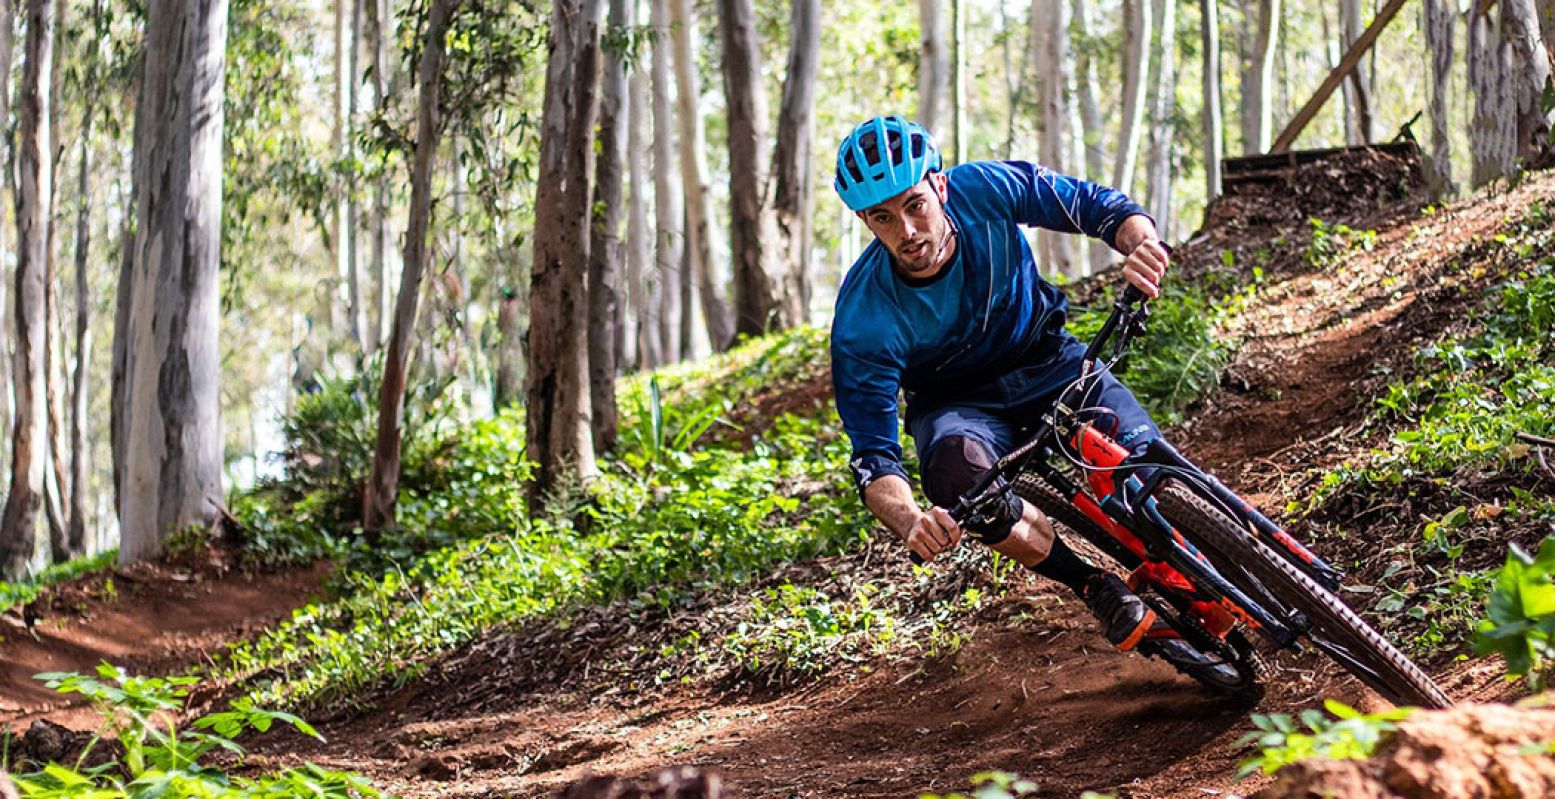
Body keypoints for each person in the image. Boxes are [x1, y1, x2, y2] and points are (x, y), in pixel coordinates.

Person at [830, 115, 1173, 653]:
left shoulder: (986, 189)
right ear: (864, 221)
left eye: (915, 204)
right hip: (957, 406)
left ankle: (1218, 553)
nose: (908, 232)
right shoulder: (862, 318)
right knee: (953, 473)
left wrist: (1142, 244)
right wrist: (911, 520)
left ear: (939, 186)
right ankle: (1091, 583)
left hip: (1046, 358)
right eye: (883, 218)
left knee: (1145, 462)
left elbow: (1096, 206)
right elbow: (874, 458)